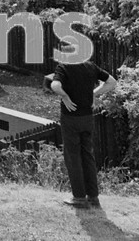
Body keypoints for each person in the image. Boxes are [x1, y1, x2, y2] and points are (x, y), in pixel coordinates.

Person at [50, 61, 117, 208]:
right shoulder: (91, 66)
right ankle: (93, 197)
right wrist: (93, 93)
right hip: (87, 118)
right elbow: (111, 82)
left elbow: (55, 85)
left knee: (73, 156)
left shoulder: (64, 67)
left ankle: (79, 198)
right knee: (88, 155)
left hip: (70, 119)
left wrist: (65, 97)